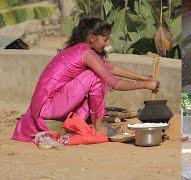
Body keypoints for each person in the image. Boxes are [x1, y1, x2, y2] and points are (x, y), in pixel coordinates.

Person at [12, 18, 159, 142]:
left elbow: (110, 68)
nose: (107, 44)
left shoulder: (80, 49)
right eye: (105, 39)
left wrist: (142, 77)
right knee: (94, 76)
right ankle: (98, 125)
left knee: (96, 73)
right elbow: (113, 81)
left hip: (42, 105)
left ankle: (92, 122)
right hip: (48, 106)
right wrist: (145, 85)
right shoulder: (87, 53)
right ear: (92, 38)